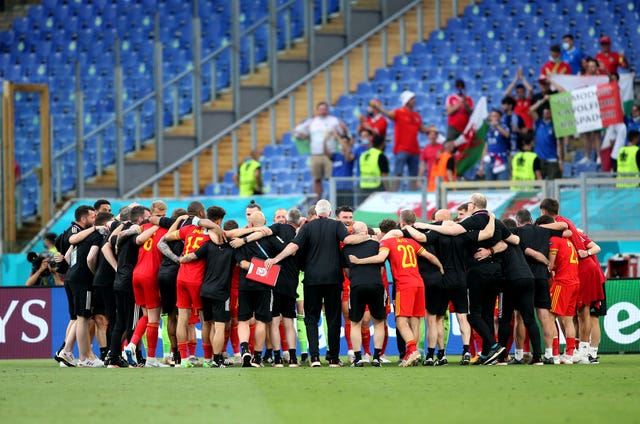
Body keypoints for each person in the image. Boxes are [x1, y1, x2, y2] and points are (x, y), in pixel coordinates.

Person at [263, 199, 369, 367]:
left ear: (316, 212)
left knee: (311, 318)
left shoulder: (307, 227)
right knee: (333, 318)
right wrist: (367, 237)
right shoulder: (336, 225)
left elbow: (293, 246)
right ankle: (333, 358)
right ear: (330, 212)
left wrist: (276, 258)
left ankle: (314, 358)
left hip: (311, 279)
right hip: (333, 279)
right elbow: (348, 241)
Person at [416, 193, 519, 365]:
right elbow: (512, 239)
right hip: (495, 273)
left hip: (471, 274)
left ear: (472, 205)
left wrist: (427, 225)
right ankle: (485, 353)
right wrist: (491, 247)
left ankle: (491, 346)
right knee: (485, 314)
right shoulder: (492, 222)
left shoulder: (465, 228)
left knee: (468, 315)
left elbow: (443, 232)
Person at [349, 219, 443, 367]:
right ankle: (410, 354)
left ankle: (412, 350)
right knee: (416, 321)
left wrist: (359, 261)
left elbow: (380, 258)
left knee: (400, 321)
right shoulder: (410, 242)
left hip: (404, 285)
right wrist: (441, 268)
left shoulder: (387, 243)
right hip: (419, 283)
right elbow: (430, 256)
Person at [121, 200, 168, 367]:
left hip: (137, 274)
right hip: (151, 276)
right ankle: (151, 359)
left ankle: (131, 344)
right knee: (154, 319)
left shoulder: (144, 227)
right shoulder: (166, 229)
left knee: (146, 315)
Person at [54, 205, 96, 367]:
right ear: (84, 218)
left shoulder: (69, 231)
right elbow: (72, 244)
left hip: (71, 276)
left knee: (76, 317)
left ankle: (66, 352)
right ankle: (70, 352)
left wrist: (61, 259)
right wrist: (63, 262)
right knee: (81, 317)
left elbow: (63, 246)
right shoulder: (76, 231)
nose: (95, 218)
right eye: (93, 216)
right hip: (79, 276)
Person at [341, 221, 387, 367]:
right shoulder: (376, 245)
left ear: (352, 233)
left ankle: (358, 358)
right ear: (366, 232)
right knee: (379, 322)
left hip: (356, 285)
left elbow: (347, 272)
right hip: (376, 284)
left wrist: (357, 277)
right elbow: (381, 268)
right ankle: (377, 357)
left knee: (355, 323)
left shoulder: (346, 249)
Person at [536, 215, 580, 364]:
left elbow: (551, 265)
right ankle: (569, 354)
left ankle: (554, 354)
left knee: (550, 317)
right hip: (574, 282)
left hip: (562, 283)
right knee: (568, 320)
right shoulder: (567, 241)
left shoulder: (554, 241)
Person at [373, 91, 430, 190]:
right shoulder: (398, 112)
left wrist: (430, 130)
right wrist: (379, 108)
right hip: (402, 148)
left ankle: (413, 194)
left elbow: (422, 129)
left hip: (414, 149)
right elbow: (388, 114)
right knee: (398, 172)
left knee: (413, 175)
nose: (414, 101)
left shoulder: (417, 115)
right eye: (412, 99)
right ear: (407, 101)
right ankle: (395, 193)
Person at [295, 102, 348, 200]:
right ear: (317, 110)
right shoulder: (312, 122)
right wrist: (304, 136)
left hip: (329, 154)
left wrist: (343, 129)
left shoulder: (334, 121)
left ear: (327, 110)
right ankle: (318, 201)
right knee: (317, 179)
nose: (323, 111)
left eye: (325, 109)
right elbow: (297, 132)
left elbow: (342, 134)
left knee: (331, 179)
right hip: (315, 154)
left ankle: (333, 200)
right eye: (321, 109)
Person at [529, 98, 562, 179]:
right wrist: (543, 100)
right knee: (539, 185)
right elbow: (530, 110)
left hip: (552, 160)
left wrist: (560, 161)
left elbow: (559, 144)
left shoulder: (555, 125)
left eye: (548, 112)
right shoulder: (539, 122)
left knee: (553, 185)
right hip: (539, 159)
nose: (547, 113)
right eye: (545, 112)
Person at [478, 109, 510, 181]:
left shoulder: (504, 127)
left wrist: (497, 125)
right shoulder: (489, 131)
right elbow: (485, 149)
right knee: (489, 187)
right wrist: (481, 165)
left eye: (495, 116)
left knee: (505, 185)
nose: (493, 118)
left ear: (500, 118)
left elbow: (507, 134)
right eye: (492, 116)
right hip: (490, 161)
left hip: (501, 160)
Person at [327, 134, 355, 207]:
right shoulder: (336, 156)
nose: (342, 144)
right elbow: (326, 152)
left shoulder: (350, 155)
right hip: (335, 188)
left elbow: (347, 157)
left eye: (345, 142)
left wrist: (338, 138)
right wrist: (325, 140)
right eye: (341, 142)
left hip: (347, 188)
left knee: (347, 210)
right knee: (336, 211)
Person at [418, 125, 443, 190]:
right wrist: (419, 178)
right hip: (430, 178)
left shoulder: (442, 148)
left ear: (437, 136)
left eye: (434, 134)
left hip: (441, 177)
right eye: (431, 134)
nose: (432, 136)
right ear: (427, 136)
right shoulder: (426, 149)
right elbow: (423, 165)